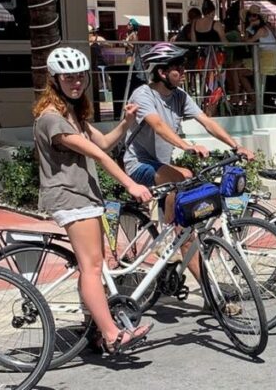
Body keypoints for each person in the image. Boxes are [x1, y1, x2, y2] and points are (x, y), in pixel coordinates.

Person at [35, 48, 153, 353]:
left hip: (85, 196)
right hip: (70, 197)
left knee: (93, 266)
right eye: (68, 77)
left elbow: (104, 143)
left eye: (80, 77)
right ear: (54, 79)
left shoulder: (71, 114)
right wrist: (131, 184)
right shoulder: (51, 119)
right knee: (92, 267)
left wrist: (125, 122)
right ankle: (112, 334)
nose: (76, 83)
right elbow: (99, 155)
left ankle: (96, 331)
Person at [124, 43, 255, 290]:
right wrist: (186, 146)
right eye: (178, 68)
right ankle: (167, 236)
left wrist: (236, 146)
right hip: (138, 164)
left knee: (187, 222)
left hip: (163, 167)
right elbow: (157, 125)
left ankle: (209, 293)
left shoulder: (179, 96)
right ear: (162, 72)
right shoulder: (143, 94)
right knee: (182, 177)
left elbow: (206, 121)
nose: (184, 72)